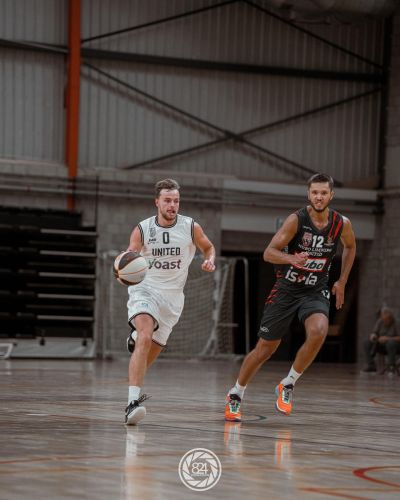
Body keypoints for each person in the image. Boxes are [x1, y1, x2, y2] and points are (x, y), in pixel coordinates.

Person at [225, 173, 356, 421]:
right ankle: (236, 393)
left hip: (315, 289)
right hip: (287, 289)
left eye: (323, 193)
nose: (319, 197)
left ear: (331, 195)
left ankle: (288, 383)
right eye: (315, 192)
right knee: (265, 349)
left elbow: (350, 246)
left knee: (319, 331)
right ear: (308, 194)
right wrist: (291, 258)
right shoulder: (296, 220)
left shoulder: (341, 224)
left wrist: (342, 280)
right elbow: (268, 253)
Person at [124, 178, 216, 425]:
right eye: (167, 200)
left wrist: (209, 259)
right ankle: (132, 404)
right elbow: (131, 253)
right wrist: (125, 262)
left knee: (148, 356)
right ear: (157, 202)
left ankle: (136, 343)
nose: (172, 205)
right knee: (145, 336)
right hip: (145, 290)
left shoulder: (190, 227)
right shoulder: (143, 229)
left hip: (173, 298)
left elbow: (208, 247)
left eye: (176, 201)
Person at [363, 306, 400, 373]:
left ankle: (391, 366)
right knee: (366, 342)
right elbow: (375, 332)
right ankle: (371, 365)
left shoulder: (396, 323)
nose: (385, 321)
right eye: (383, 320)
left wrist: (387, 338)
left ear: (391, 318)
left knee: (391, 343)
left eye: (387, 320)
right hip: (381, 344)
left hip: (394, 346)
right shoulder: (380, 321)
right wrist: (373, 336)